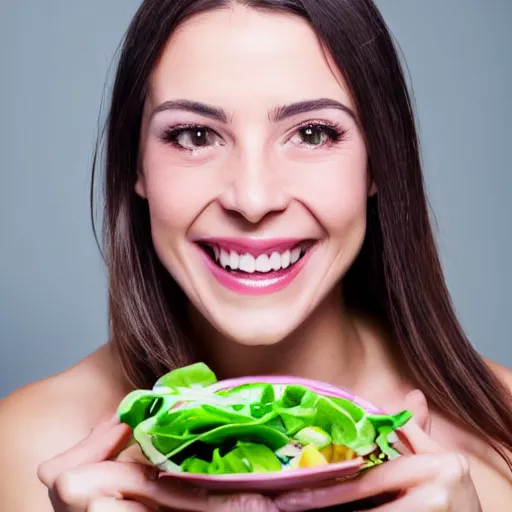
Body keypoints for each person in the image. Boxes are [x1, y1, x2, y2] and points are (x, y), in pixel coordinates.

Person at [1, 0, 511, 510]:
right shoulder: (26, 452)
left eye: (312, 134)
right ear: (136, 166)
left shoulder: (499, 446)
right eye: (195, 136)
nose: (252, 199)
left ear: (377, 163)